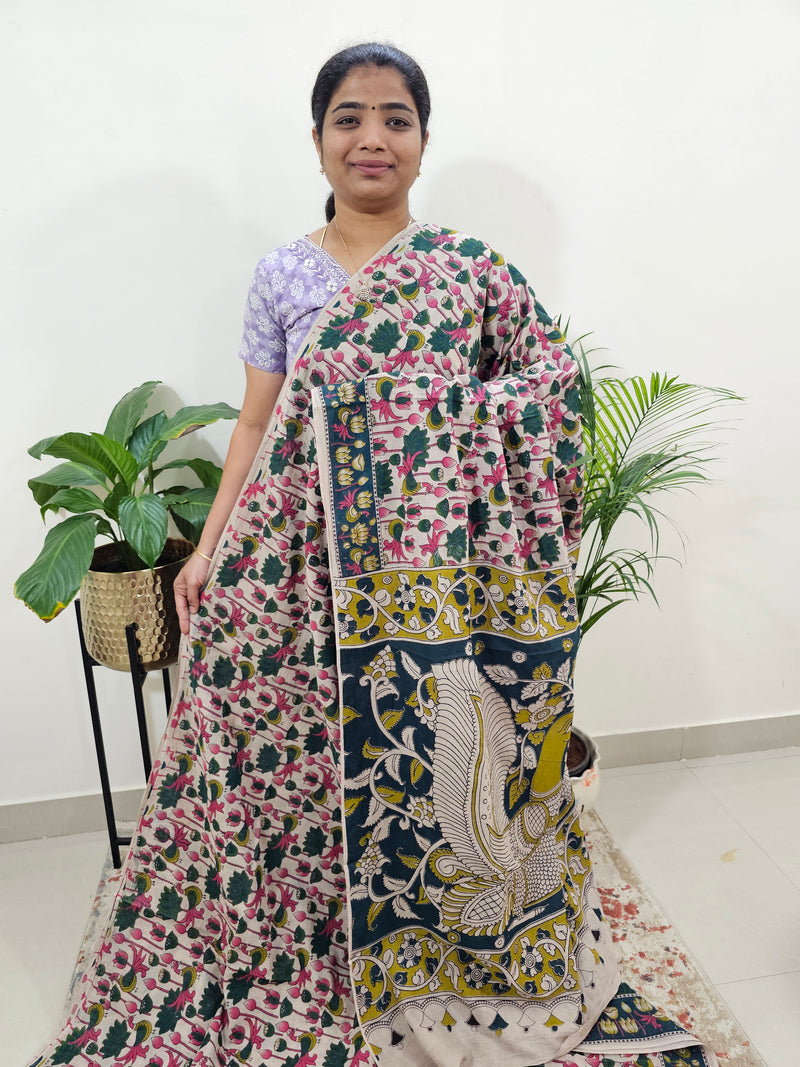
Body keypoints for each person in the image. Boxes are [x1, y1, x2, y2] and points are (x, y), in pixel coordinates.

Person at [28, 43, 719, 1067]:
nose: (371, 137)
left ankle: (435, 946)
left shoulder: (467, 273)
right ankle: (305, 941)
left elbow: (543, 393)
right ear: (317, 140)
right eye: (348, 117)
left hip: (436, 581)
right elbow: (260, 425)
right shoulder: (284, 274)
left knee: (434, 762)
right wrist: (212, 545)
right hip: (302, 564)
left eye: (395, 118)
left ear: (422, 143)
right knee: (290, 759)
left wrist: (441, 415)